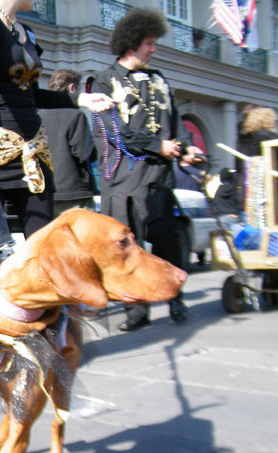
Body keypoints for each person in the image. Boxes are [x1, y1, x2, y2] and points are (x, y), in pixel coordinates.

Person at [0, 0, 112, 271]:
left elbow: (32, 94)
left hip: (33, 153)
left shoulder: (26, 32)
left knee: (44, 246)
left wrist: (79, 99)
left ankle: (44, 312)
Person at [90, 8, 201, 331]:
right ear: (132, 44)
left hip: (159, 179)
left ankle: (174, 298)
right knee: (129, 247)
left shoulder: (160, 80)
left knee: (167, 241)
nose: (154, 49)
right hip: (124, 180)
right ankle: (136, 309)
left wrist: (185, 146)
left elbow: (175, 120)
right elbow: (112, 131)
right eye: (149, 43)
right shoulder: (104, 80)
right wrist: (157, 146)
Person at [37, 69, 97, 216]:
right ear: (72, 88)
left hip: (43, 192)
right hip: (74, 193)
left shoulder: (37, 115)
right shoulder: (75, 115)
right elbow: (85, 154)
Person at [235, 105, 278, 204]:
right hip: (272, 190)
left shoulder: (243, 140)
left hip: (248, 192)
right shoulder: (274, 139)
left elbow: (238, 167)